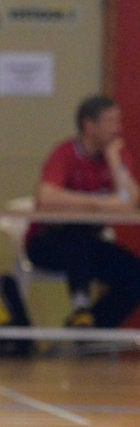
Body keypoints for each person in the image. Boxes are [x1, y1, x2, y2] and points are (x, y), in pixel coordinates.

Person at [25, 95, 140, 328]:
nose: (117, 129)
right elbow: (47, 197)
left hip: (89, 244)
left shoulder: (116, 155)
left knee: (134, 274)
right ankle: (81, 307)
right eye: (110, 122)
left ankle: (92, 328)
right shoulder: (65, 153)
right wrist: (102, 203)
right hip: (47, 242)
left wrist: (114, 161)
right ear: (89, 125)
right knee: (77, 236)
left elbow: (130, 202)